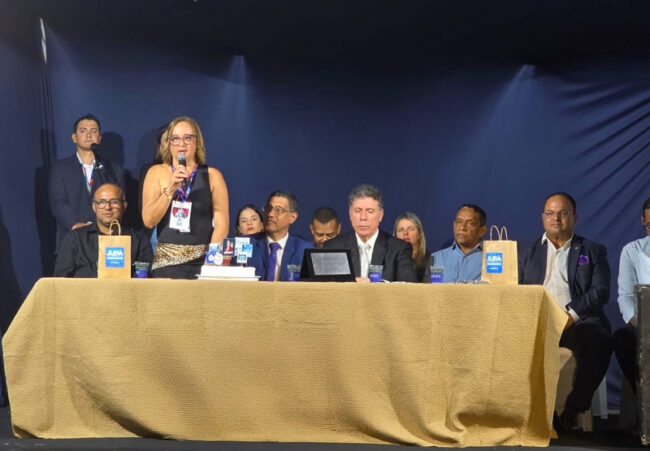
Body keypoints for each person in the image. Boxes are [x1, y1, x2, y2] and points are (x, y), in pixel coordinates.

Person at [519, 192, 612, 431]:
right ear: (543, 218)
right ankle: (538, 413)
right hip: (536, 322)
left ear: (574, 218)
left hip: (576, 322)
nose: (556, 218)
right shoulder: (525, 252)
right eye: (550, 213)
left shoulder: (592, 250)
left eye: (563, 213)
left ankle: (573, 409)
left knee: (598, 340)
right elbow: (515, 289)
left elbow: (600, 291)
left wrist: (570, 315)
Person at [142, 116, 229, 279]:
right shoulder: (156, 173)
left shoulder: (213, 176)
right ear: (169, 143)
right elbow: (148, 220)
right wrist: (170, 189)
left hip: (203, 263)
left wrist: (211, 260)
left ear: (197, 141)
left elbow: (222, 223)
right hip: (166, 263)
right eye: (175, 139)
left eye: (187, 138)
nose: (181, 144)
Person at [49, 114, 124, 255]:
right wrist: (76, 224)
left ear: (99, 138)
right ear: (74, 137)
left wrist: (96, 226)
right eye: (83, 131)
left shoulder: (113, 169)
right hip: (71, 238)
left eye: (94, 131)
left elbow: (119, 202)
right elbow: (57, 202)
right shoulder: (60, 168)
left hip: (105, 239)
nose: (89, 135)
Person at [54, 183, 152, 277]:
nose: (108, 207)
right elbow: (60, 278)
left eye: (114, 202)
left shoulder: (139, 240)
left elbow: (148, 279)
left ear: (124, 206)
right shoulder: (76, 238)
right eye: (101, 202)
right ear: (94, 207)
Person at [323, 184, 416, 282]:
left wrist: (374, 285)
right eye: (358, 211)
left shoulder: (398, 249)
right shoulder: (333, 247)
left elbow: (408, 286)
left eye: (370, 211)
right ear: (350, 214)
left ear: (381, 215)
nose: (363, 217)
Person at [613, 198, 650, 393]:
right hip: (644, 325)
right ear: (643, 222)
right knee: (623, 338)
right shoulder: (632, 251)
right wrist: (642, 326)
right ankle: (644, 396)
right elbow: (625, 297)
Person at [249, 191, 313, 281]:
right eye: (268, 208)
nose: (270, 214)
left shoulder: (303, 250)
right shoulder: (247, 244)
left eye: (278, 210)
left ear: (292, 217)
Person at [424, 205, 486, 283]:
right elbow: (430, 288)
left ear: (482, 230)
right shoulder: (437, 258)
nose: (462, 227)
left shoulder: (492, 259)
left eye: (470, 223)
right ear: (454, 225)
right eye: (459, 222)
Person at [393, 212, 429, 281]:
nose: (405, 233)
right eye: (400, 230)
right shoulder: (389, 261)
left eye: (411, 229)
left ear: (419, 234)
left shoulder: (429, 261)